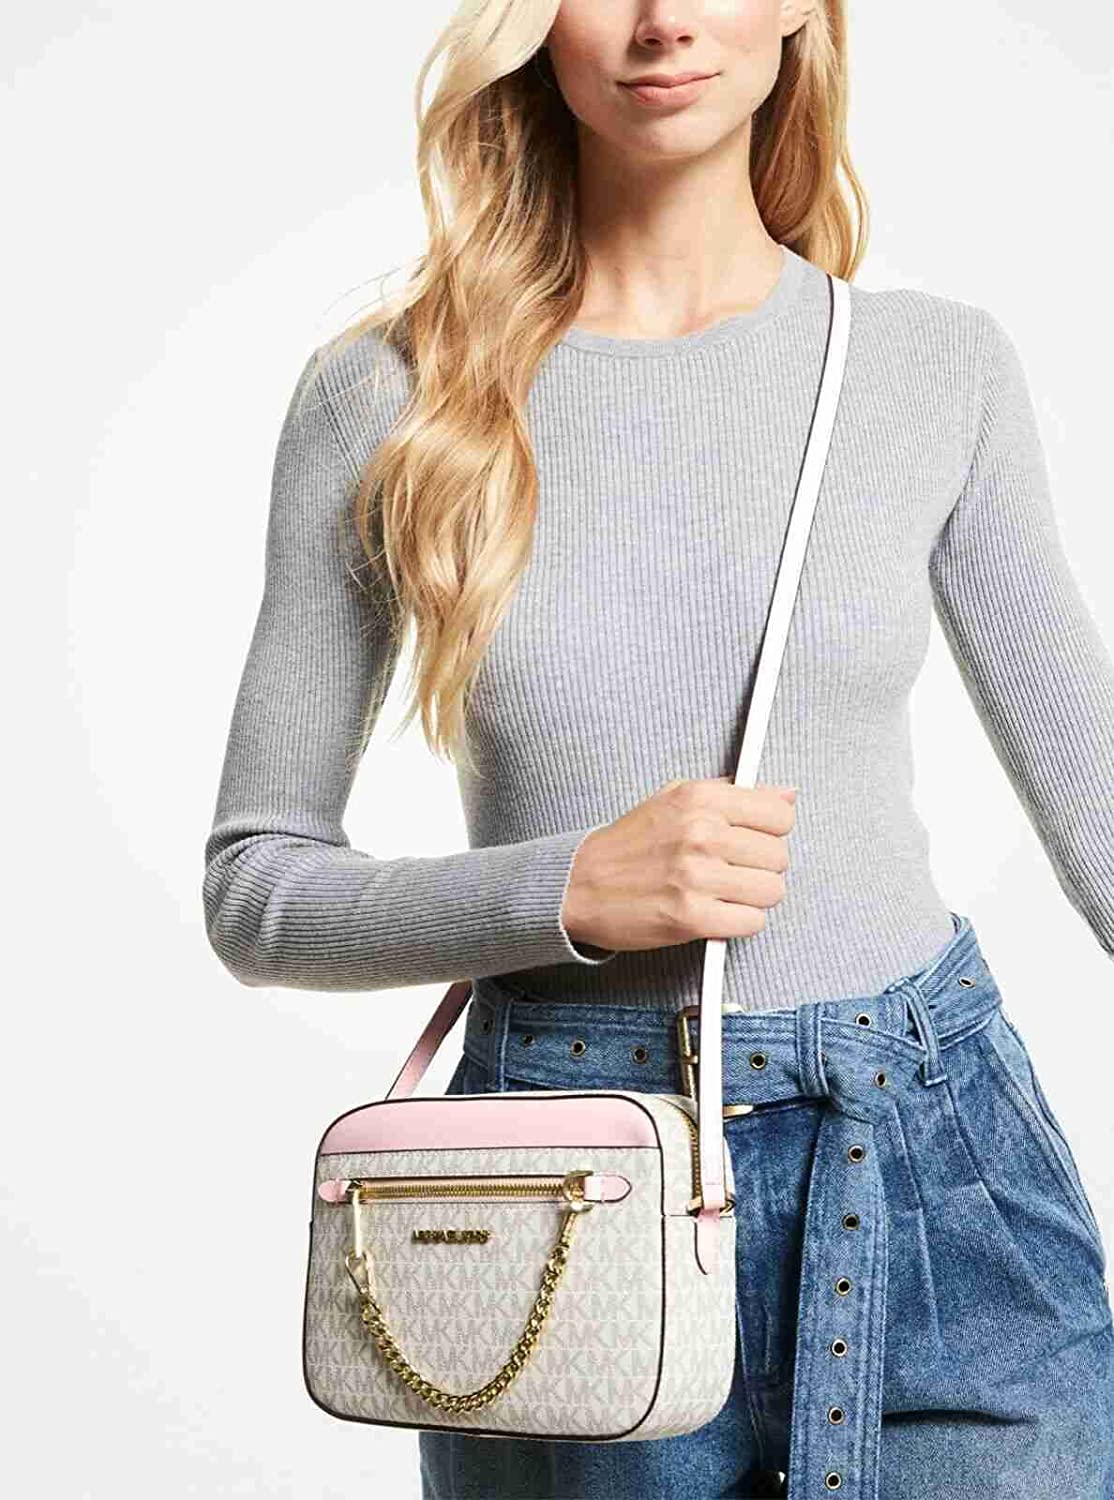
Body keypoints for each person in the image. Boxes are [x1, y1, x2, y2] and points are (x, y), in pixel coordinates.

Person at [202, 2, 1114, 1495]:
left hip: (940, 1168)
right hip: (571, 1198)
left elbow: (1096, 803)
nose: (664, 22)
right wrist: (568, 890)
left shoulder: (929, 369)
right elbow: (257, 889)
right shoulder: (391, 396)